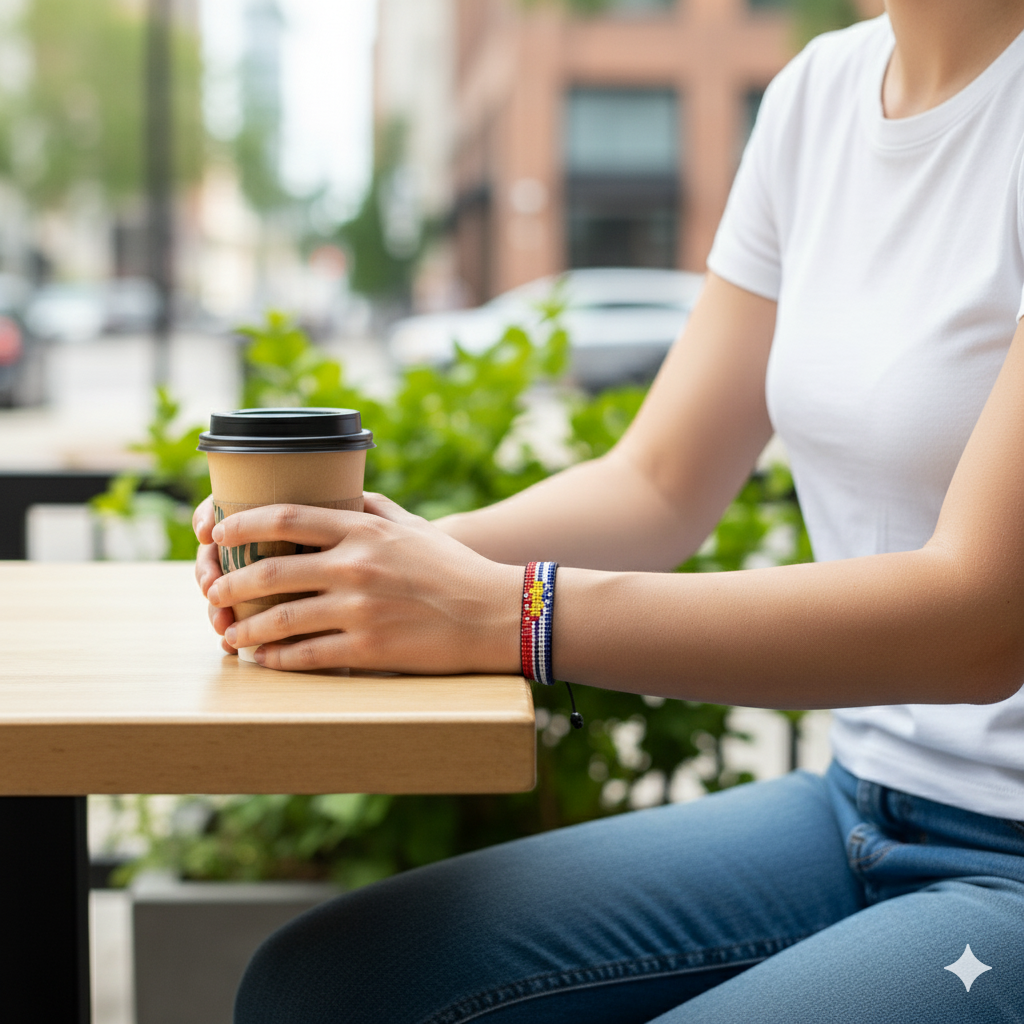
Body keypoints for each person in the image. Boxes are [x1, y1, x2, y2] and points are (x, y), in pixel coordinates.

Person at [192, 3, 1024, 1021]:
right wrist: (358, 563)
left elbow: (980, 619)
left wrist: (513, 612)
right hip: (858, 803)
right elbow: (661, 482)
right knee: (321, 989)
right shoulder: (819, 93)